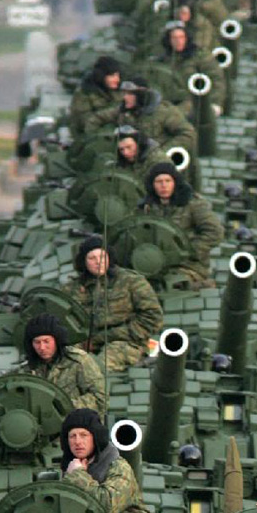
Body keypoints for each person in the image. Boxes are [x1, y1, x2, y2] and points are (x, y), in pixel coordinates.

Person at [60, 408, 152, 513]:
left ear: (96, 437)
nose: (77, 441)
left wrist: (78, 475)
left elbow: (106, 505)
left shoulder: (118, 467)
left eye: (84, 435)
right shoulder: (72, 469)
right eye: (72, 436)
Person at [63, 234, 162, 373]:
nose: (98, 262)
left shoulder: (131, 281)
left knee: (96, 368)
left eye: (102, 257)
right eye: (92, 258)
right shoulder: (72, 288)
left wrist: (103, 337)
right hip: (84, 343)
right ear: (83, 262)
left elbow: (153, 318)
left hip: (126, 342)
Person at [141, 160, 224, 289]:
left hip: (188, 266)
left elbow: (215, 232)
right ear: (152, 185)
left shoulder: (193, 204)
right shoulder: (147, 207)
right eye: (159, 182)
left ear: (175, 182)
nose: (164, 185)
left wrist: (189, 251)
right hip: (154, 264)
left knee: (172, 286)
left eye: (168, 181)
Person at [22, 313, 106, 413]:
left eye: (46, 341)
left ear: (56, 340)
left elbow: (101, 398)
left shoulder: (78, 361)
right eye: (37, 342)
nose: (42, 347)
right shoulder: (28, 367)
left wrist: (64, 406)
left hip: (74, 419)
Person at [118, 78, 197, 158]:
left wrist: (162, 152)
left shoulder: (164, 112)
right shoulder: (126, 112)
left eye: (130, 94)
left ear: (141, 95)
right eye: (124, 93)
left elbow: (188, 134)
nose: (125, 97)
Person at [156, 22, 225, 111]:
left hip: (194, 102)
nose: (178, 41)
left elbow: (216, 79)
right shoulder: (163, 59)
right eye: (174, 38)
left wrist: (215, 103)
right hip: (168, 101)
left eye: (181, 37)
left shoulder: (200, 57)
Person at [68, 55, 123, 138]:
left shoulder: (119, 91)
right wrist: (114, 113)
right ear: (102, 75)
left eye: (118, 76)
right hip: (90, 138)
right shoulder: (85, 93)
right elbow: (84, 122)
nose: (117, 79)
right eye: (112, 76)